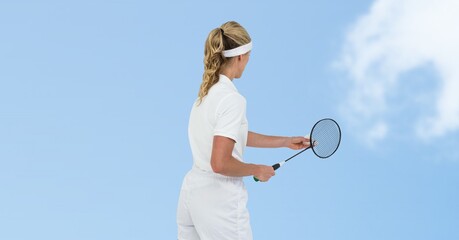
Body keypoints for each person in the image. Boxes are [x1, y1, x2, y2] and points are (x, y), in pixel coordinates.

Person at [177, 21, 310, 240]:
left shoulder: (205, 96)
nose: (248, 61)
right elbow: (219, 163)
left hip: (191, 196)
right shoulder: (232, 99)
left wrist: (285, 141)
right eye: (248, 55)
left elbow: (232, 136)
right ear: (240, 56)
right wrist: (257, 169)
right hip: (219, 203)